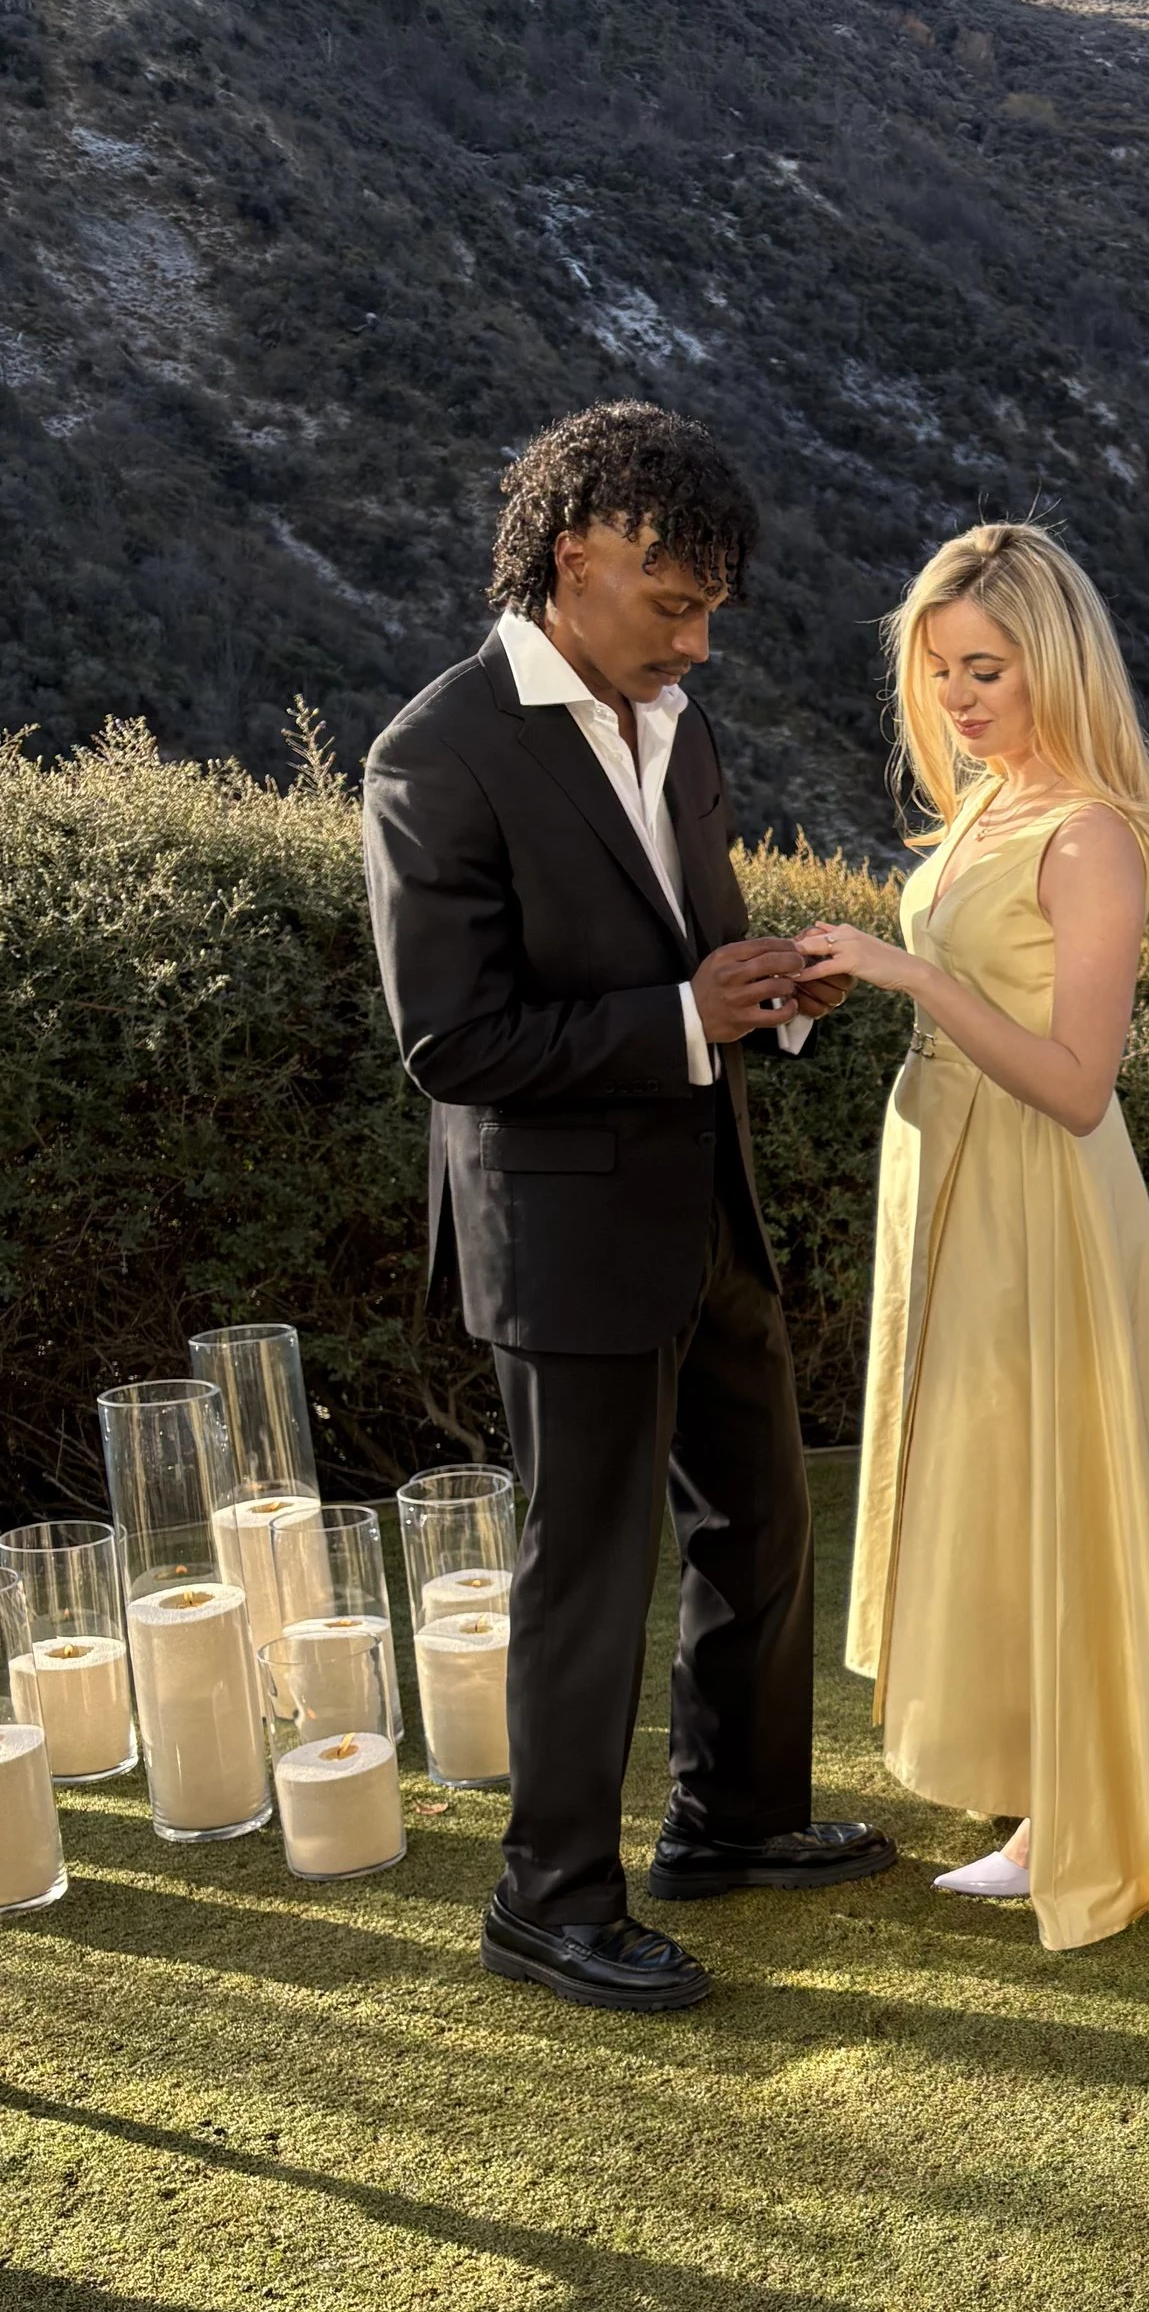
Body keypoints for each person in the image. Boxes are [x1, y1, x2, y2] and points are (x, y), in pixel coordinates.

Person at [363, 399, 896, 2016]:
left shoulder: (681, 730)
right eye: (676, 604)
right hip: (565, 1237)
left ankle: (730, 1822)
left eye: (715, 608)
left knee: (762, 1516)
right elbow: (451, 1041)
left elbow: (700, 956)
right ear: (573, 559)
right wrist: (682, 1015)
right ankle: (547, 1900)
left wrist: (780, 998)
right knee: (585, 1567)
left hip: (703, 1202)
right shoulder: (433, 755)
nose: (700, 641)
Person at [803, 522, 1149, 1949]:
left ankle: (1084, 1810)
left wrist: (902, 976)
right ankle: (1035, 1776)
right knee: (992, 1484)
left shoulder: (1091, 836)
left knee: (1055, 1482)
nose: (956, 699)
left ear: (1053, 660)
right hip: (948, 1181)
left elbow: (1076, 1085)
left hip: (1039, 1196)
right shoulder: (991, 809)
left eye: (983, 668)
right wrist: (837, 987)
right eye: (936, 673)